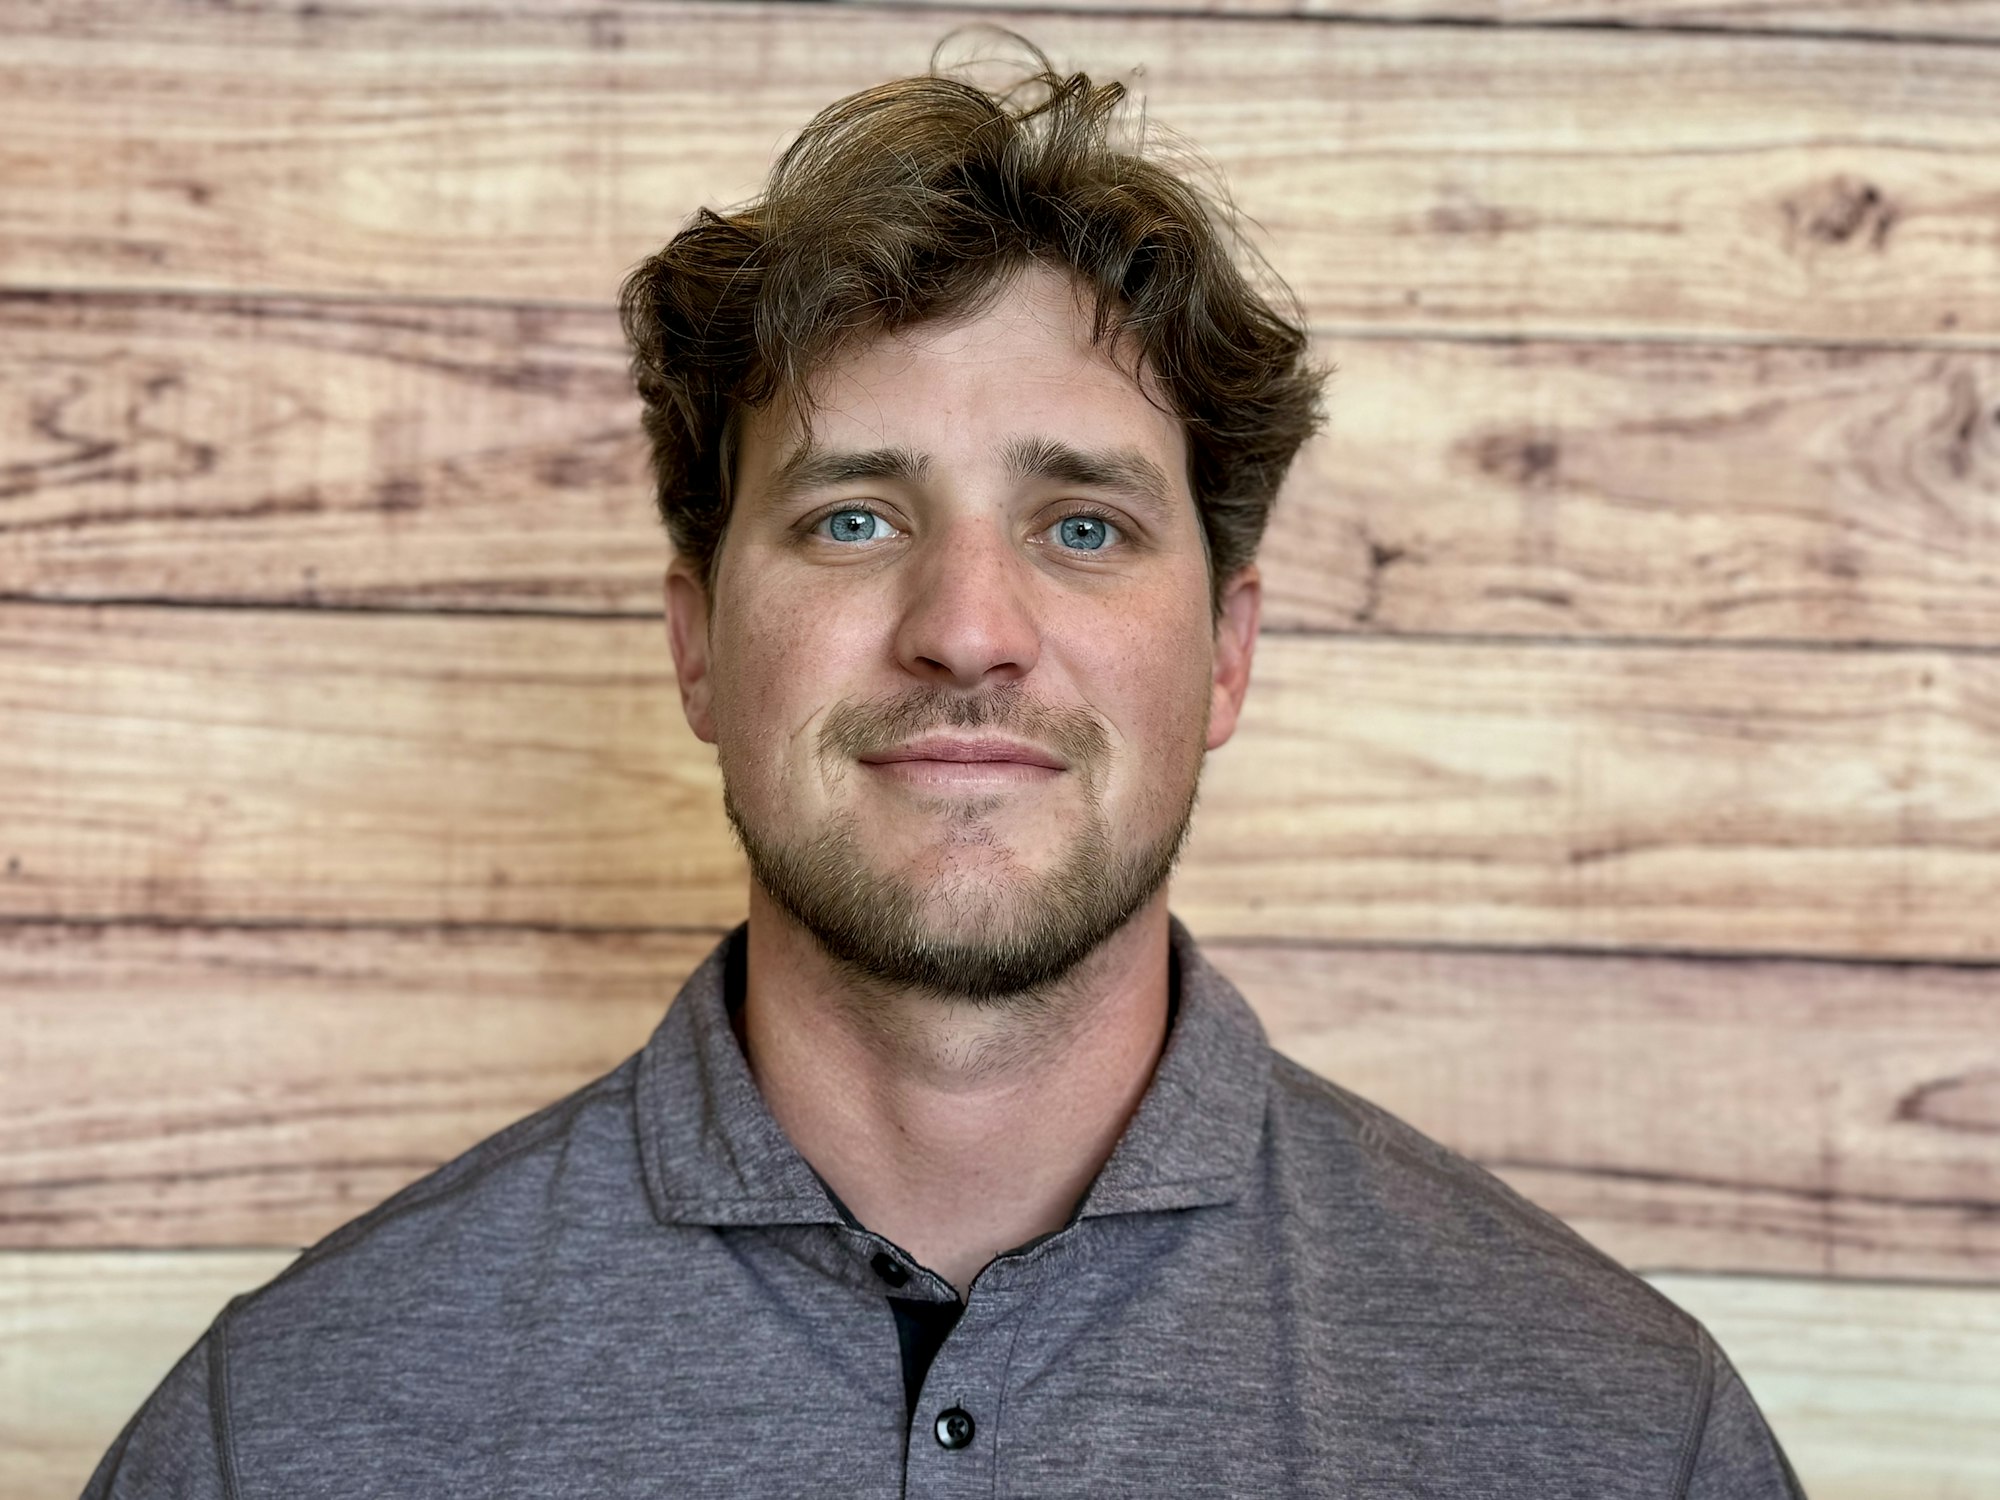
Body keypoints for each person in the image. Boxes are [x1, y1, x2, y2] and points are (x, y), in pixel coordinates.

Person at [83, 44, 1807, 1499]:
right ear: (699, 646)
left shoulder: (1620, 1435)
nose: (969, 629)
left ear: (1226, 653)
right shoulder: (282, 1434)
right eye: (854, 518)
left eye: (1083, 525)